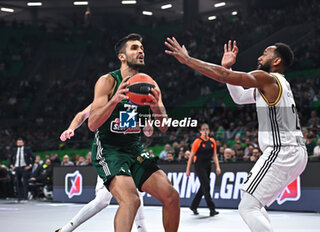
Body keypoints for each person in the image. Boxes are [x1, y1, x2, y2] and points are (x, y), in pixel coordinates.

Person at [165, 38, 308, 232]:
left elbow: (222, 76)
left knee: (248, 206)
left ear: (276, 61)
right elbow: (240, 97)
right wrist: (229, 69)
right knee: (254, 205)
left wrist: (189, 60)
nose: (260, 56)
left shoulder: (267, 78)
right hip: (295, 152)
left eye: (265, 53)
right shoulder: (277, 85)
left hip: (282, 151)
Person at [87, 33, 179, 232]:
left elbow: (163, 126)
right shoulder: (108, 81)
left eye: (142, 49)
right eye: (135, 48)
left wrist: (156, 107)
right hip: (109, 149)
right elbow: (92, 124)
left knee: (171, 196)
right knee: (131, 200)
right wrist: (114, 100)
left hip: (134, 147)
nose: (141, 52)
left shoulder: (150, 84)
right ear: (122, 56)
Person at [56, 103, 149, 232]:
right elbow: (82, 114)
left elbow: (143, 131)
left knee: (136, 192)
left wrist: (149, 113)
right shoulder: (106, 99)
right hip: (109, 156)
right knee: (101, 201)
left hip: (127, 154)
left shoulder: (135, 103)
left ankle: (142, 229)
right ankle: (65, 229)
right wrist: (71, 129)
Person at [186, 123, 221, 216]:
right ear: (200, 131)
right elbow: (191, 157)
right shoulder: (197, 142)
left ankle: (193, 206)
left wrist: (217, 166)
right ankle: (212, 209)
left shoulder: (212, 141)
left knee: (203, 187)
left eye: (207, 129)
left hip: (208, 165)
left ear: (209, 131)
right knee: (206, 185)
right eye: (203, 129)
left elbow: (214, 155)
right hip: (199, 166)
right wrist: (188, 170)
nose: (205, 131)